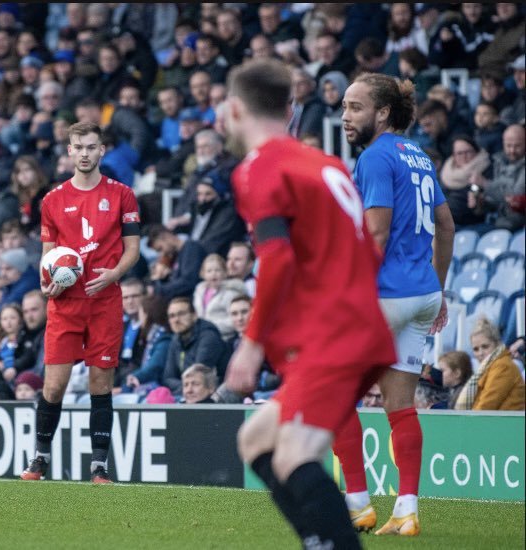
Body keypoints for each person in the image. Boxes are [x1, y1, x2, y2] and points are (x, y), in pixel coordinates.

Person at [223, 59, 396, 550]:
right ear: (292, 108)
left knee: (293, 456)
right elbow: (367, 250)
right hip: (359, 326)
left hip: (334, 335)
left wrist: (252, 346)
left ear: (235, 110)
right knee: (255, 440)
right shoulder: (326, 164)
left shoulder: (260, 168)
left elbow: (275, 261)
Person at [333, 72, 456, 536]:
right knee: (400, 407)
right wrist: (438, 287)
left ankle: (358, 504)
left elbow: (377, 233)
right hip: (421, 294)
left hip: (387, 295)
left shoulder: (376, 156)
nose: (345, 116)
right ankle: (406, 510)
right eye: (344, 107)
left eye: (355, 107)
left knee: (333, 397)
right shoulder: (419, 155)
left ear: (382, 112)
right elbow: (446, 226)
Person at [21, 121, 141, 484]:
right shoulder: (52, 200)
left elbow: (133, 249)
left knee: (100, 385)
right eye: (79, 147)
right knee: (53, 386)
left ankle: (99, 467)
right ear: (69, 151)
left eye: (92, 146)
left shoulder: (122, 194)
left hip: (104, 300)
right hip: (66, 305)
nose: (85, 153)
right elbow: (48, 256)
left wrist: (114, 273)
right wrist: (49, 285)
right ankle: (40, 459)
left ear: (101, 149)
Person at [454, 316, 525, 411]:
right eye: (476, 349)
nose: (480, 353)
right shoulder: (487, 368)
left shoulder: (503, 366)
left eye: (485, 346)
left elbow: (486, 407)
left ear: (497, 344)